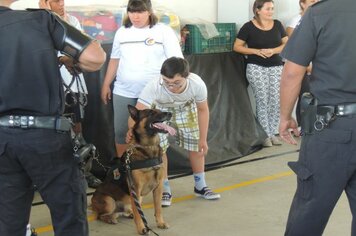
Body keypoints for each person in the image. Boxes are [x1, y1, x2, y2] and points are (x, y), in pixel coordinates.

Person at [0, 1, 106, 236]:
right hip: (44, 137)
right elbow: (95, 57)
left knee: (8, 224)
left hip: (2, 142)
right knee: (69, 218)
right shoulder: (41, 20)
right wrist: (71, 59)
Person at [279, 0, 356, 235]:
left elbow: (293, 72)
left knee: (310, 209)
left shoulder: (320, 13)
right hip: (333, 125)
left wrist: (285, 116)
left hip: (331, 128)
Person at [129, 57, 221, 207]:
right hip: (159, 111)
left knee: (197, 147)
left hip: (185, 108)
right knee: (160, 149)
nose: (171, 87)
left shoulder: (196, 84)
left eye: (176, 83)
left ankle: (200, 186)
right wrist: (131, 130)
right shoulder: (154, 85)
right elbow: (137, 113)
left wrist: (203, 139)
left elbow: (203, 110)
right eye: (167, 82)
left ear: (187, 76)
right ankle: (165, 189)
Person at [100, 0, 183, 158]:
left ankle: (158, 174)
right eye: (132, 12)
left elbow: (177, 62)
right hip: (124, 90)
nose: (135, 16)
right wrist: (106, 84)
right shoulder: (122, 32)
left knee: (156, 133)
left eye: (140, 12)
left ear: (149, 12)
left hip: (154, 91)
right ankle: (124, 171)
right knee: (121, 132)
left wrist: (173, 87)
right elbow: (115, 60)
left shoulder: (163, 31)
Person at [38, 0, 102, 189]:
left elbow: (80, 49)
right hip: (47, 85)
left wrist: (69, 58)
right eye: (56, 1)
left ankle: (83, 172)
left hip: (72, 85)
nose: (62, 4)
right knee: (48, 131)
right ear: (45, 2)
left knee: (76, 128)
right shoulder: (38, 20)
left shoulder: (72, 20)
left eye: (63, 0)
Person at [233, 0, 288, 147]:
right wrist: (255, 51)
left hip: (276, 67)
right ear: (258, 10)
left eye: (272, 9)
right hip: (256, 67)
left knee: (275, 101)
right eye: (268, 9)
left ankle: (273, 133)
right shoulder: (248, 27)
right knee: (263, 100)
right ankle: (265, 135)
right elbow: (237, 47)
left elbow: (286, 43)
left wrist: (273, 51)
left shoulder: (277, 24)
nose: (271, 11)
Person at [285, 0, 317, 125]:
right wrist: (308, 68)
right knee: (304, 97)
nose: (316, 2)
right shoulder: (295, 21)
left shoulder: (319, 19)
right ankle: (303, 126)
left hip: (314, 67)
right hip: (301, 67)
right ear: (302, 3)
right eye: (312, 0)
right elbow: (296, 47)